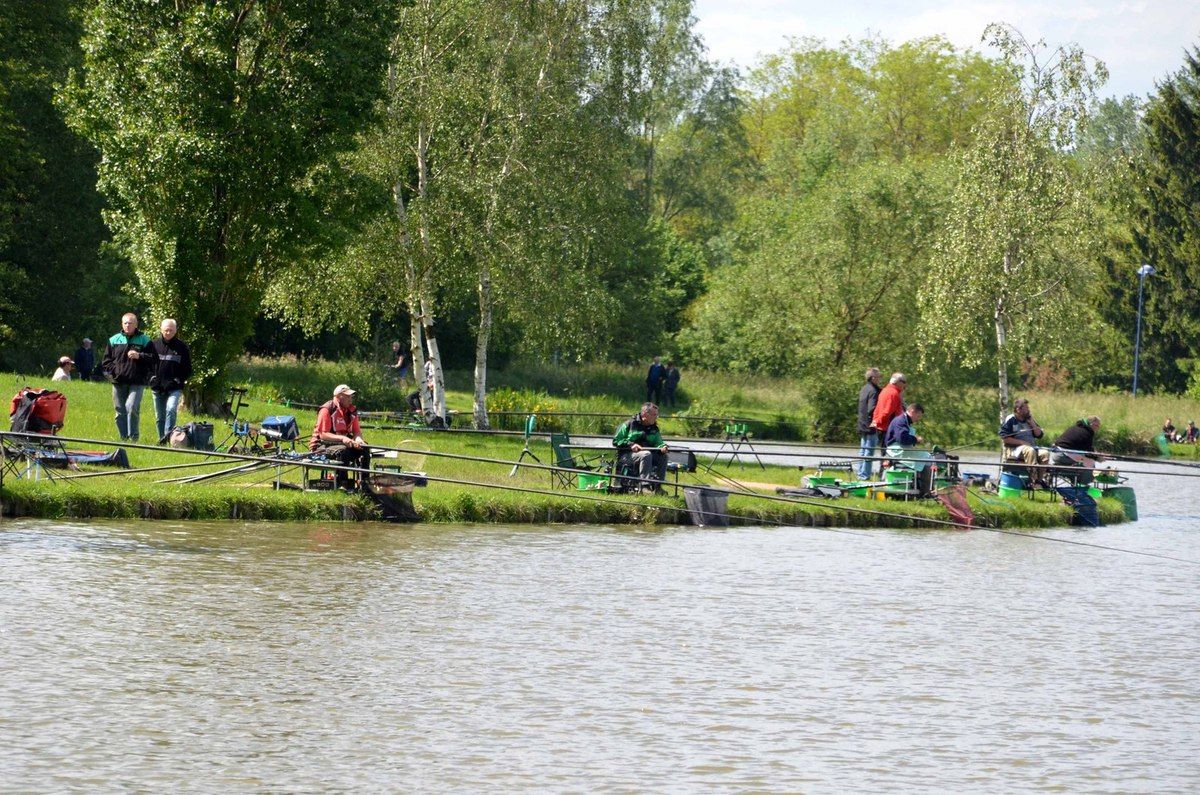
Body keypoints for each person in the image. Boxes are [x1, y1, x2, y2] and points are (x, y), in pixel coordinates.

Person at [101, 312, 153, 442]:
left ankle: (134, 438)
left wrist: (139, 356)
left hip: (137, 382)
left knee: (132, 407)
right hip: (118, 381)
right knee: (120, 411)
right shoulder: (114, 340)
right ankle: (123, 438)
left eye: (130, 323)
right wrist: (115, 371)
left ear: (136, 324)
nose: (128, 325)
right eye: (125, 323)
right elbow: (106, 361)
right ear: (122, 324)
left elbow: (153, 359)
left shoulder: (144, 340)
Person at [310, 384, 372, 489]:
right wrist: (343, 438)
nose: (350, 399)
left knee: (365, 449)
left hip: (342, 444)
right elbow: (323, 435)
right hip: (322, 446)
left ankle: (365, 483)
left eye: (351, 396)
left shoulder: (352, 411)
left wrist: (359, 440)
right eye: (348, 396)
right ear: (339, 397)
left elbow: (357, 432)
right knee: (343, 452)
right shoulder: (327, 409)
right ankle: (343, 483)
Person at [149, 318, 192, 443]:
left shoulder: (182, 347)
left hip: (175, 387)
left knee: (171, 409)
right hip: (157, 387)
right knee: (160, 416)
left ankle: (168, 437)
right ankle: (161, 439)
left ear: (175, 331)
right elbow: (147, 366)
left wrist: (178, 380)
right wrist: (151, 378)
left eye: (171, 330)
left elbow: (187, 369)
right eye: (166, 330)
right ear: (161, 330)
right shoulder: (153, 345)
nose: (168, 332)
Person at [612, 402, 669, 493]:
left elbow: (659, 443)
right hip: (626, 456)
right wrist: (631, 445)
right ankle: (644, 486)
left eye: (657, 415)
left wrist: (663, 447)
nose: (656, 417)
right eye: (654, 415)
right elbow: (616, 441)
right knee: (646, 454)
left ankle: (658, 486)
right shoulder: (628, 424)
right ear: (645, 414)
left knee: (664, 456)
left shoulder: (654, 428)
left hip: (646, 454)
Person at [999, 397, 1050, 487]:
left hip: (1032, 448)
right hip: (1015, 450)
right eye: (1026, 408)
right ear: (1018, 409)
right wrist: (1022, 442)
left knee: (1045, 453)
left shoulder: (1029, 419)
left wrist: (1033, 424)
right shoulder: (1011, 419)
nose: (1029, 410)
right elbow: (1005, 438)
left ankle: (1039, 481)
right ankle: (1032, 480)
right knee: (1030, 451)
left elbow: (1039, 435)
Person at [1051, 416, 1103, 482]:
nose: (1098, 428)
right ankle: (1083, 482)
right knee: (1090, 462)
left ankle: (1073, 478)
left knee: (1084, 460)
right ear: (1090, 424)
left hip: (1055, 454)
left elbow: (1082, 447)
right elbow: (1089, 453)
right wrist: (1099, 458)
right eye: (1096, 425)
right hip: (1063, 456)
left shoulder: (1073, 428)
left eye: (1099, 426)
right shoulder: (1087, 433)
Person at [855, 367, 882, 479]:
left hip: (862, 422)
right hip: (871, 424)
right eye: (879, 377)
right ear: (873, 377)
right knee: (869, 452)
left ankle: (860, 473)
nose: (880, 379)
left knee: (863, 450)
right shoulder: (874, 391)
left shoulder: (864, 388)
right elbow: (872, 408)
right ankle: (865, 475)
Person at [871, 372, 907, 438]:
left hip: (882, 426)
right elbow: (887, 412)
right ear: (897, 382)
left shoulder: (884, 390)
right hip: (889, 428)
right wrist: (877, 422)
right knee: (888, 448)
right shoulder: (893, 393)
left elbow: (877, 409)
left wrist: (875, 421)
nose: (905, 384)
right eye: (904, 382)